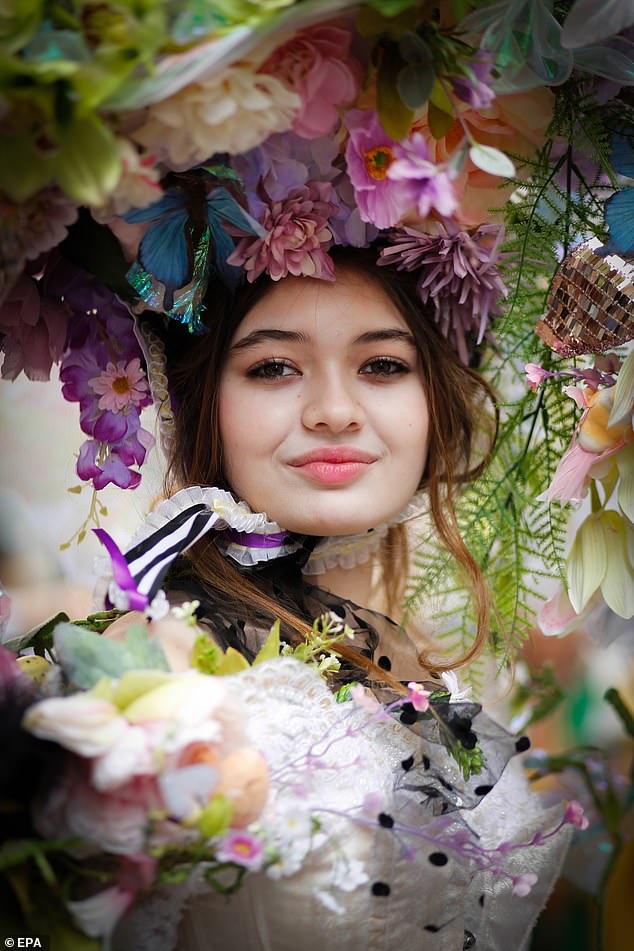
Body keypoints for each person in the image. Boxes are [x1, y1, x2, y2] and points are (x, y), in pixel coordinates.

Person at [104, 247, 571, 951]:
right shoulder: (151, 660)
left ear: (435, 398)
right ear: (200, 401)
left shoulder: (432, 667)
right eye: (273, 367)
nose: (332, 411)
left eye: (382, 364)